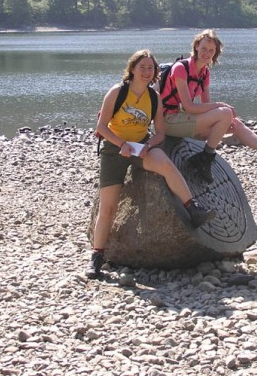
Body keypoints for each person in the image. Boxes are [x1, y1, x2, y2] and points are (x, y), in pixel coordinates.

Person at [87, 49, 217, 279]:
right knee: (108, 207)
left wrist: (149, 145)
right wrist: (121, 144)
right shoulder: (117, 92)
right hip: (113, 149)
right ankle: (97, 256)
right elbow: (101, 127)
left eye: (151, 68)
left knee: (166, 164)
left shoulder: (153, 97)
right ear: (132, 69)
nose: (147, 72)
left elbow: (160, 132)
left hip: (140, 146)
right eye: (143, 67)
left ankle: (192, 208)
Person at [160, 29, 257, 184]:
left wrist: (221, 114)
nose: (207, 53)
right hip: (168, 121)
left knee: (234, 123)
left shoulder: (204, 73)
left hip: (183, 122)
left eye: (211, 50)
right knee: (225, 113)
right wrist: (221, 107)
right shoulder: (181, 68)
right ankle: (206, 157)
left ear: (216, 52)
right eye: (203, 49)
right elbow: (189, 107)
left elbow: (205, 105)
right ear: (196, 47)